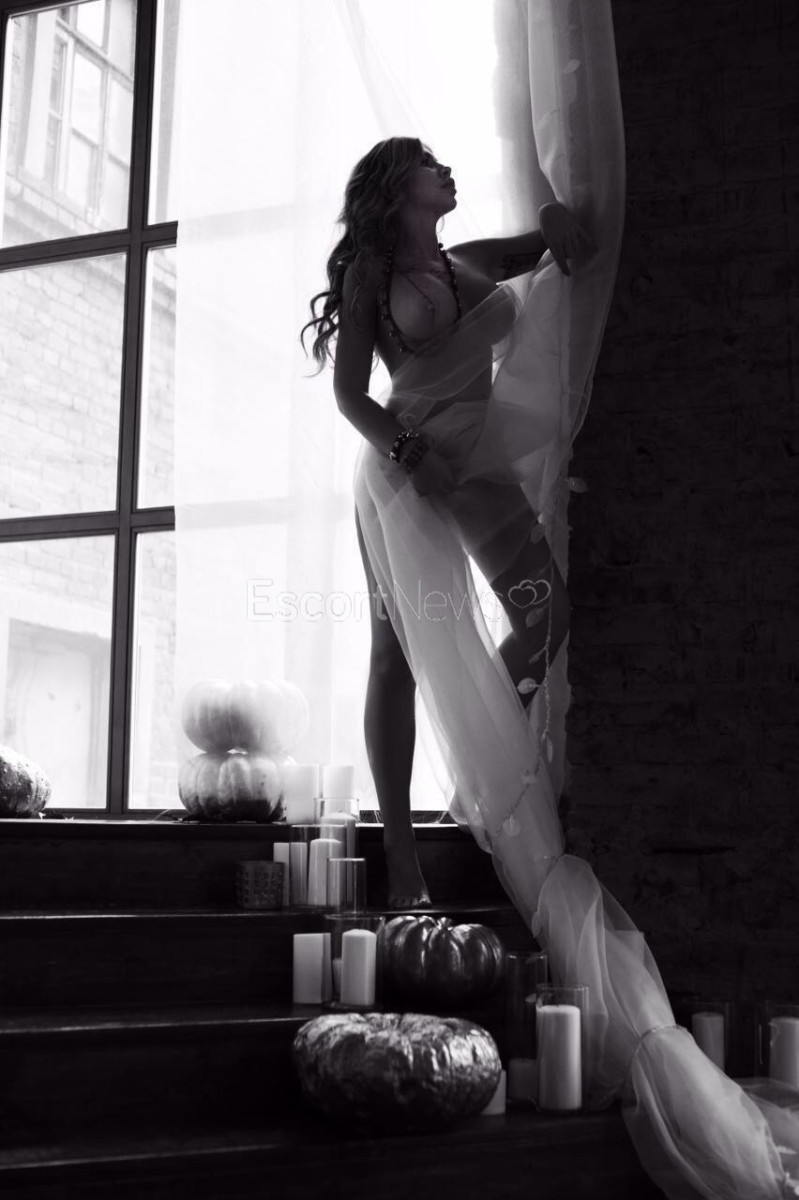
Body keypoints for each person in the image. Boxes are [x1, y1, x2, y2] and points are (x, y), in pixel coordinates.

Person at [300, 136, 593, 908]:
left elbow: (547, 243)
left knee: (547, 617)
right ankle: (401, 859)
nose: (447, 170)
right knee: (393, 658)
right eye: (431, 165)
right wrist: (409, 452)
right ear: (398, 186)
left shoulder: (468, 258)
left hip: (480, 467)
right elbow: (349, 394)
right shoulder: (372, 273)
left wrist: (555, 217)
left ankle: (472, 771)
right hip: (408, 468)